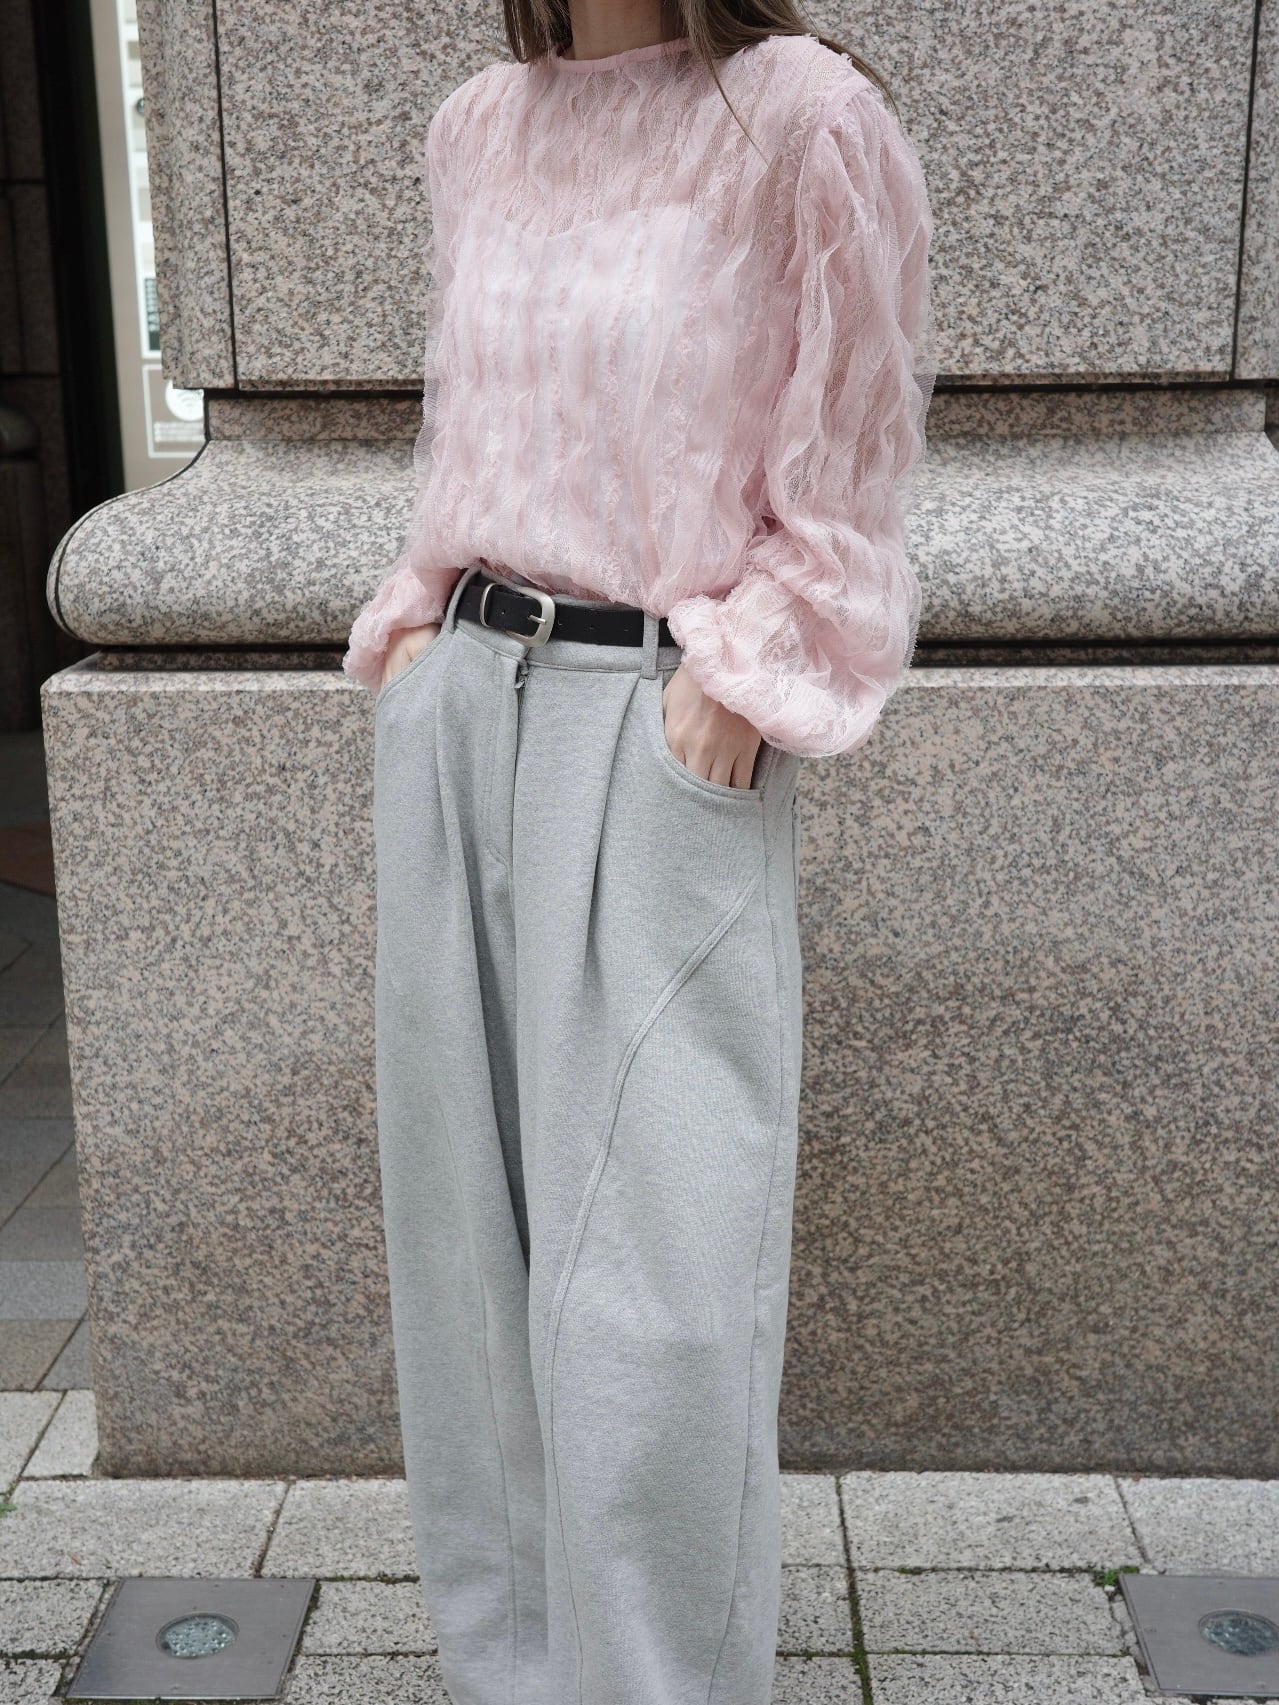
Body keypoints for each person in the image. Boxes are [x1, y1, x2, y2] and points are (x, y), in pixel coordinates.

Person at [342, 2, 935, 1700]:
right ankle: (513, 1676)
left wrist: (741, 678)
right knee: (469, 1258)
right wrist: (419, 630)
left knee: (656, 1302)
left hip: (655, 720)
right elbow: (478, 422)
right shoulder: (480, 127)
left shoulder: (802, 118)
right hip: (464, 709)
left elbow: (852, 458)